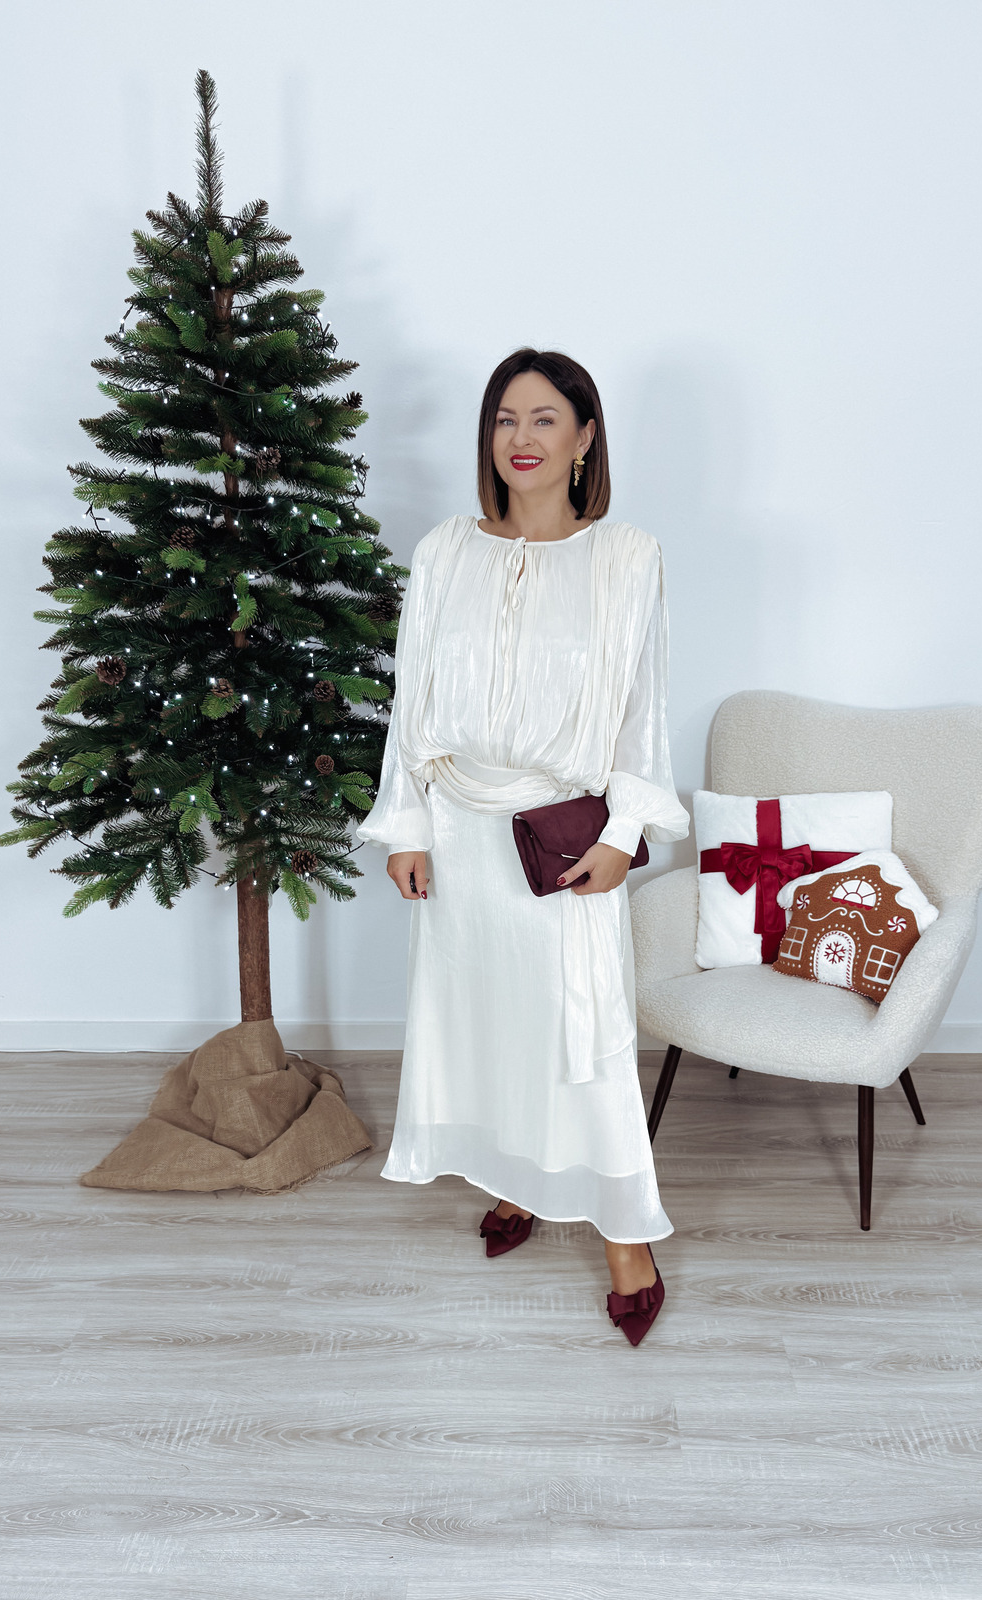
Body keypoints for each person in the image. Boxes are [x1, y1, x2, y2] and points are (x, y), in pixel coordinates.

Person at [356, 348, 689, 1345]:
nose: (522, 438)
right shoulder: (443, 551)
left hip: (560, 839)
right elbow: (410, 697)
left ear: (585, 437)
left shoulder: (625, 556)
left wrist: (626, 833)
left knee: (581, 1037)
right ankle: (518, 1179)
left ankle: (626, 1237)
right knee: (487, 1025)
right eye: (506, 418)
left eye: (546, 419)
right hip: (458, 833)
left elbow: (642, 711)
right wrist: (408, 823)